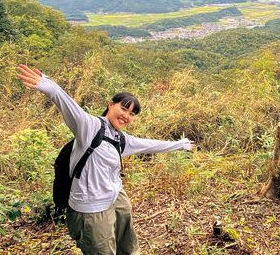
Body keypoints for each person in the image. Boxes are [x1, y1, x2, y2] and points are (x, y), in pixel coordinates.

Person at [17, 64, 195, 255]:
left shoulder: (120, 138)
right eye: (124, 108)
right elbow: (68, 105)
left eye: (131, 114)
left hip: (115, 197)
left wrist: (180, 144)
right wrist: (47, 85)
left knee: (127, 247)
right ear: (111, 104)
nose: (126, 116)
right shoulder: (90, 128)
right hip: (91, 208)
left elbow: (149, 144)